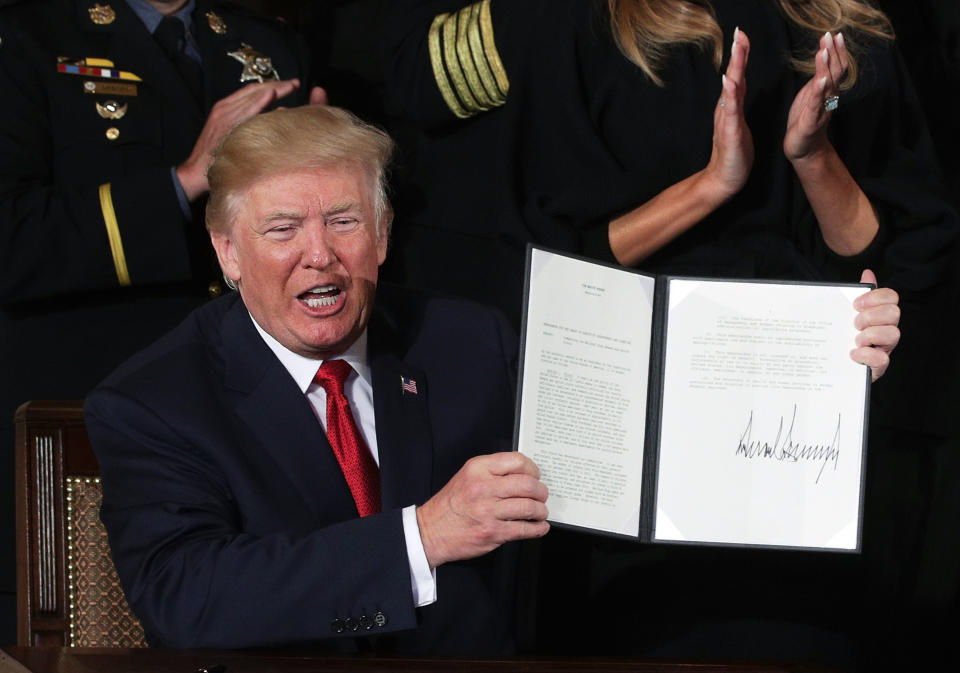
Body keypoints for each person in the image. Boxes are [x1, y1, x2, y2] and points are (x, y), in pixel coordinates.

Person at [382, 1, 947, 667]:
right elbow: (541, 263)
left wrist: (811, 152)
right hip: (615, 437)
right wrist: (711, 186)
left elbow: (888, 251)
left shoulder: (847, 25)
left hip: (797, 444)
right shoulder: (560, 22)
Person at [84, 105, 551, 653]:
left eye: (343, 222)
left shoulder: (470, 342)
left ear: (382, 236)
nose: (320, 256)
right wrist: (421, 537)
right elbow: (188, 597)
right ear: (228, 252)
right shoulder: (153, 402)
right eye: (283, 229)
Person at [0, 0, 322, 640]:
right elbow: (11, 242)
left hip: (254, 416)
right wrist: (183, 181)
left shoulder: (268, 48)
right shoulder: (29, 36)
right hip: (88, 420)